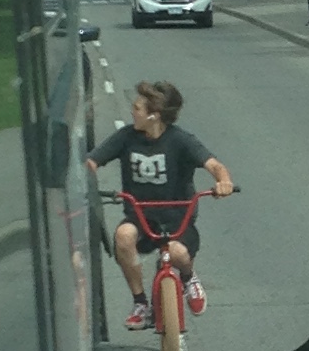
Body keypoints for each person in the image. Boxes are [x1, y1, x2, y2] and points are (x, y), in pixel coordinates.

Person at [86, 81, 234, 329]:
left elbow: (215, 166)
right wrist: (83, 177)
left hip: (177, 219)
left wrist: (224, 182)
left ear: (154, 115)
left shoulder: (181, 140)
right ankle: (140, 304)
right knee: (123, 236)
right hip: (140, 218)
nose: (132, 111)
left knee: (176, 253)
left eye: (137, 108)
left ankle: (188, 278)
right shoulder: (126, 137)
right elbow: (92, 161)